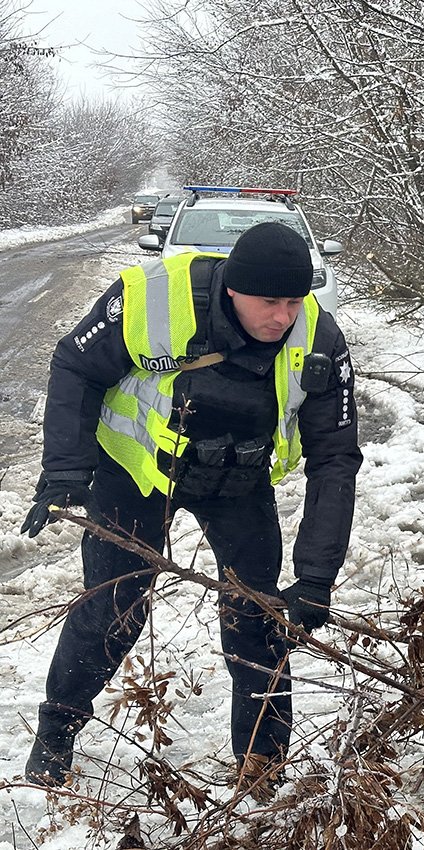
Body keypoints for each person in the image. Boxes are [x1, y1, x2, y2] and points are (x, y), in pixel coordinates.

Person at [21, 221, 362, 797]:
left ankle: (262, 765)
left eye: (293, 301)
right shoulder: (152, 298)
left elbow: (336, 459)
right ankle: (56, 728)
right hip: (136, 472)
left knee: (258, 616)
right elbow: (76, 366)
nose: (282, 316)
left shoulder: (320, 340)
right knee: (113, 604)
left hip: (239, 481)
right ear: (232, 288)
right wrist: (65, 469)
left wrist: (316, 577)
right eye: (268, 301)